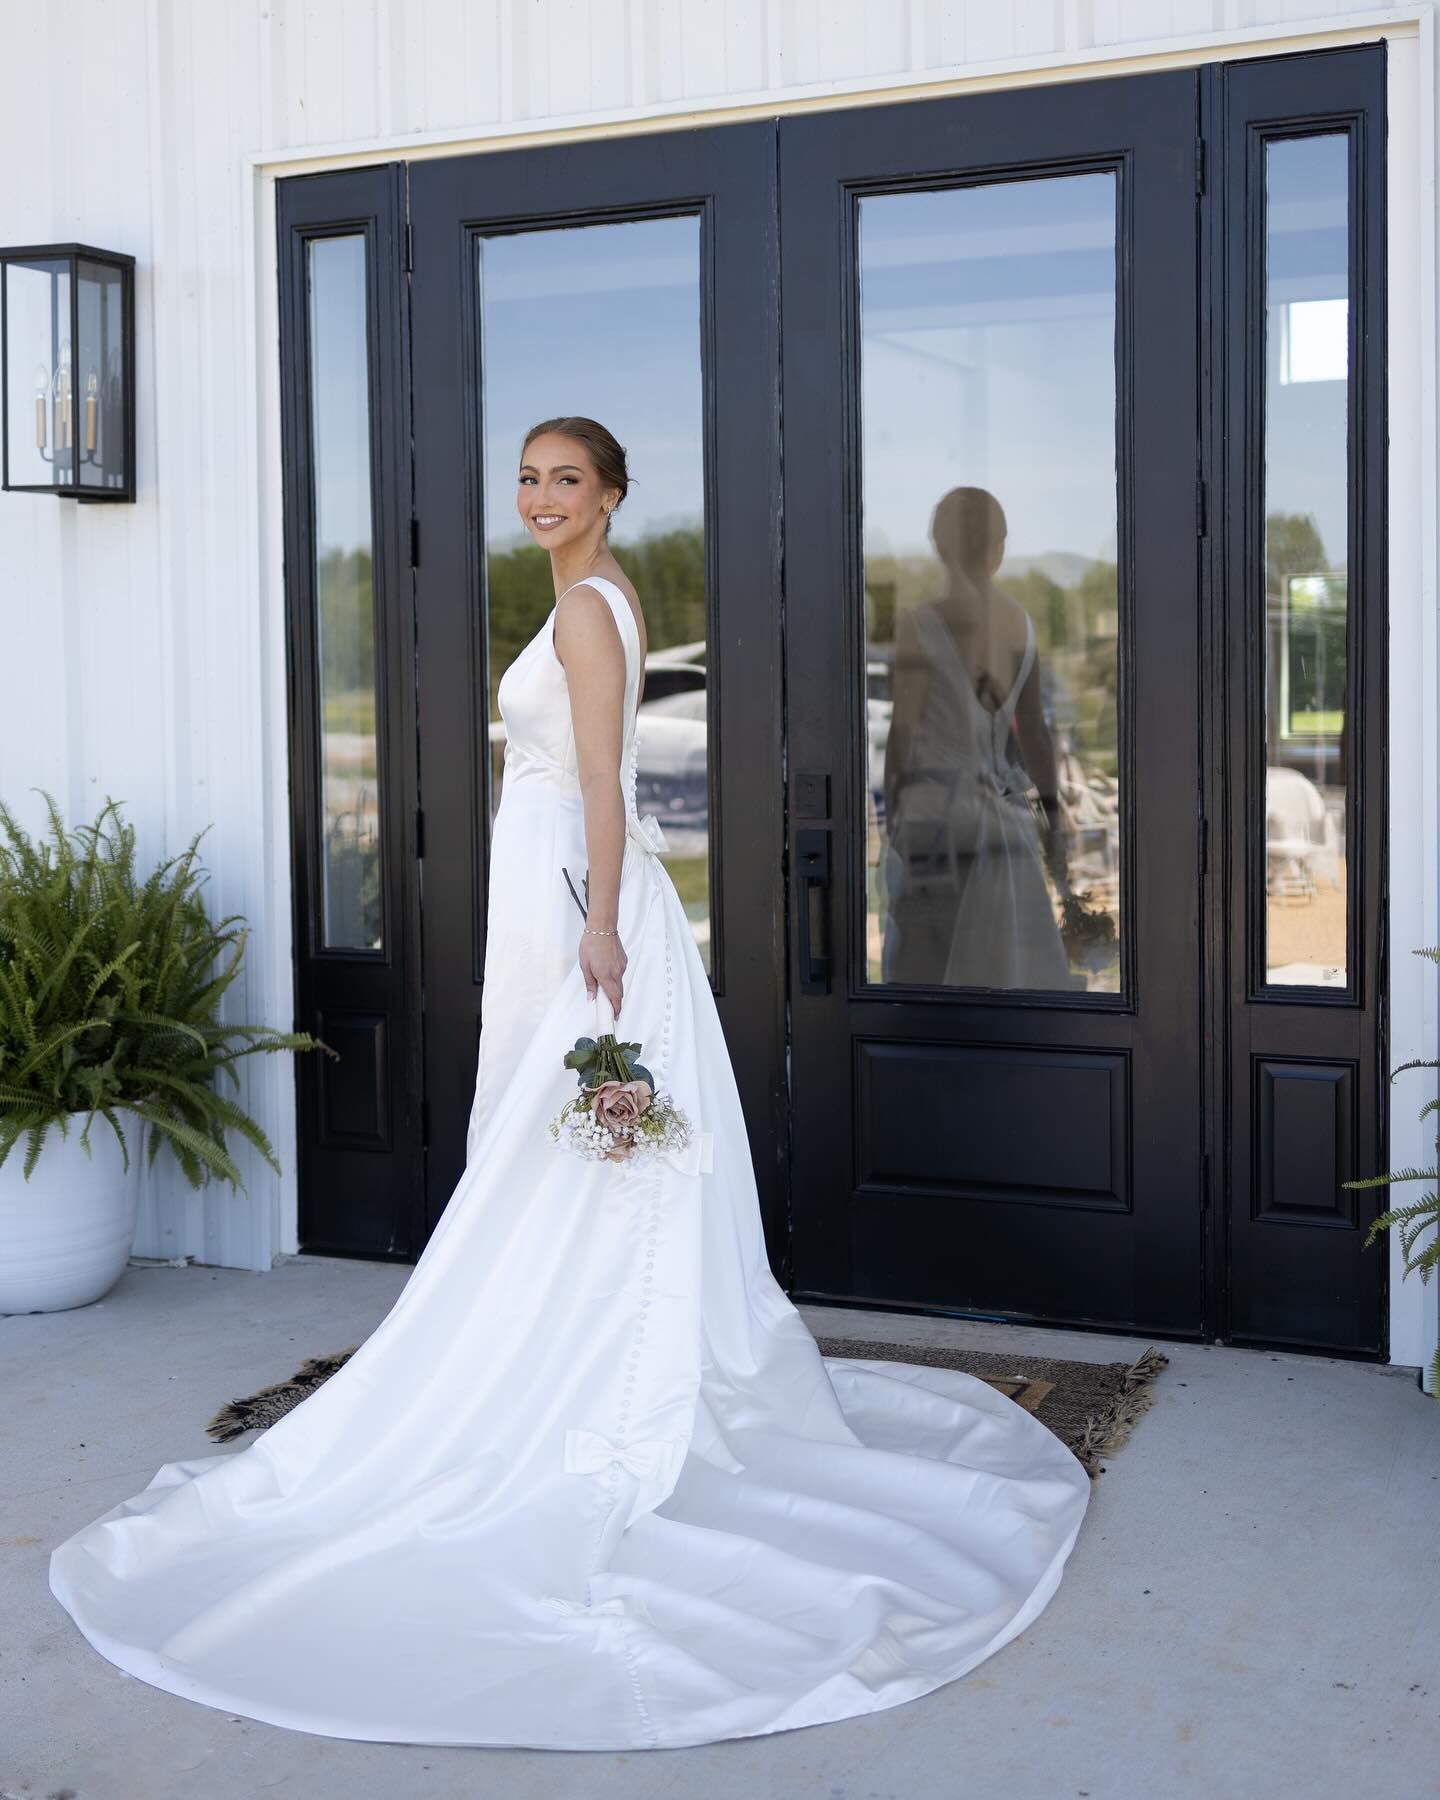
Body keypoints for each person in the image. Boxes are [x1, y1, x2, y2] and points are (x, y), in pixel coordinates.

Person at [48, 418, 1090, 1751]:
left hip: (574, 893)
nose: (541, 498)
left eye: (566, 480)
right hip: (546, 879)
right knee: (552, 1142)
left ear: (609, 496)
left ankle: (581, 1375)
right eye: (529, 479)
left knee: (576, 1139)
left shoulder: (592, 612)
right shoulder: (587, 592)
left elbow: (604, 779)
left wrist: (599, 923)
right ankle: (553, 1339)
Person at [882, 485, 1078, 990]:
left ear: (940, 546)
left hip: (936, 821)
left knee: (928, 982)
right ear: (999, 550)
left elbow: (903, 733)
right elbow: (1033, 731)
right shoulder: (1022, 624)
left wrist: (895, 822)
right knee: (1006, 983)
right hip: (1002, 829)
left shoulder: (918, 624)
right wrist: (1051, 815)